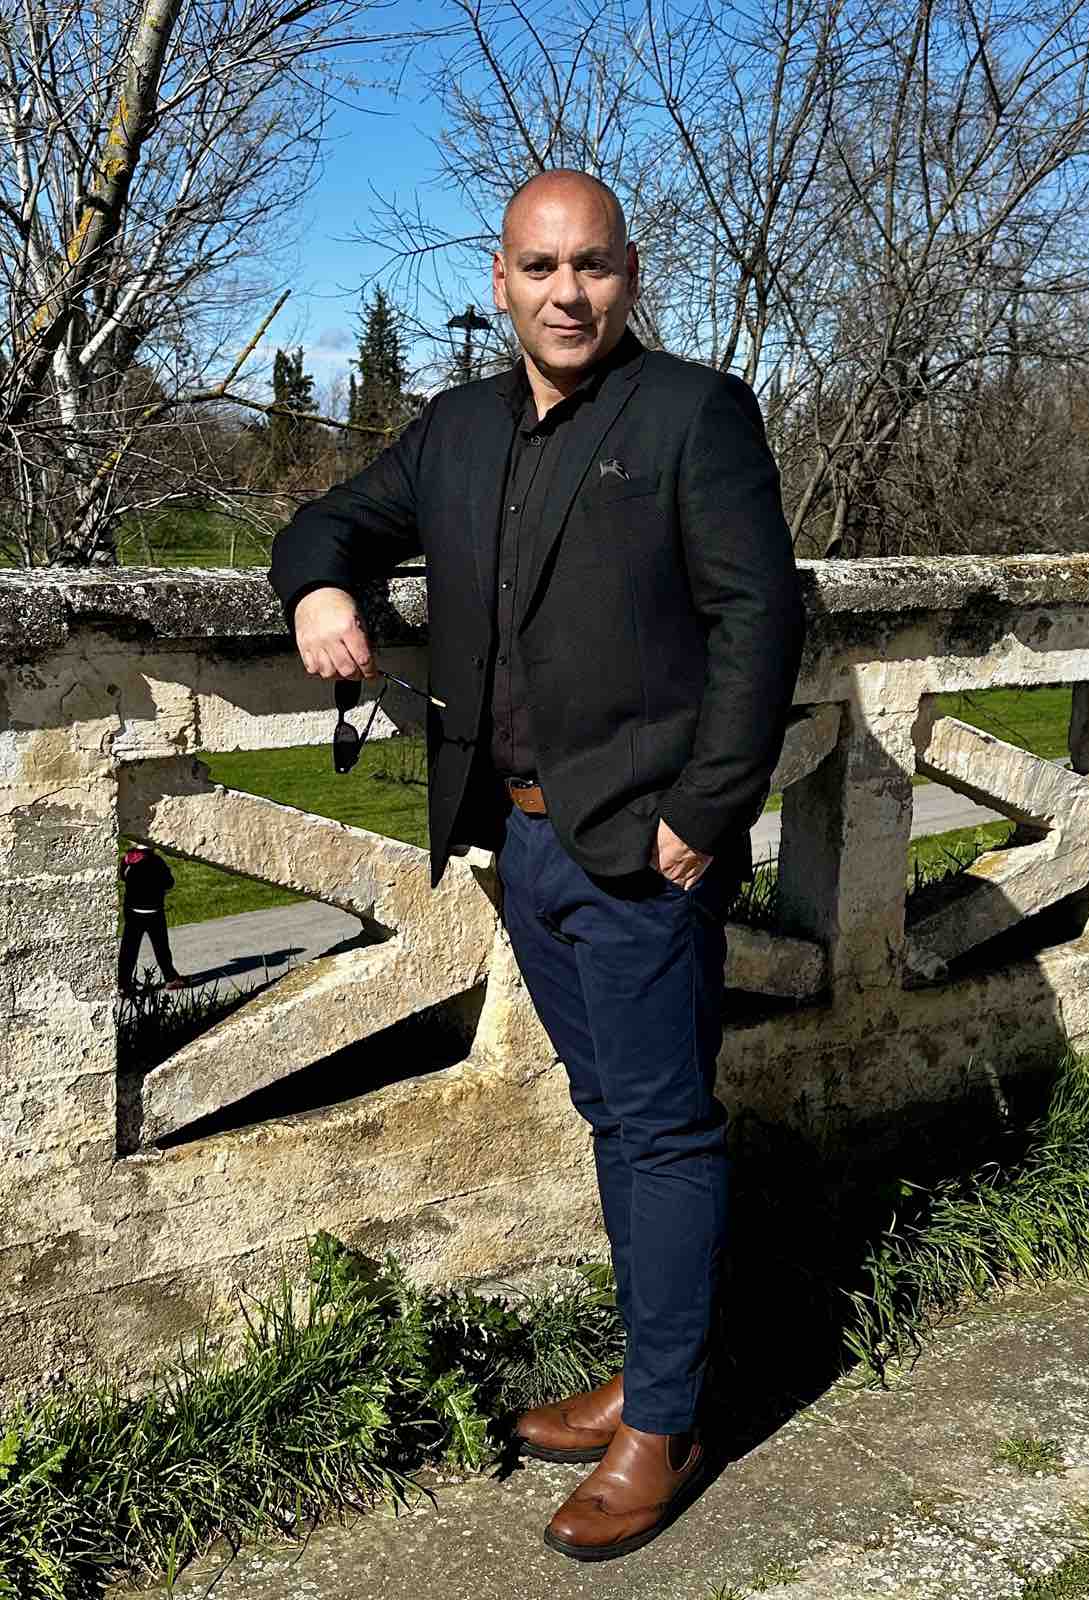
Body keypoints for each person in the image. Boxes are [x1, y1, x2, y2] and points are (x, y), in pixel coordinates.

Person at [267, 169, 805, 1560]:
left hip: (641, 847)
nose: (568, 294)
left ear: (628, 274)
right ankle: (651, 1373)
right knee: (612, 1113)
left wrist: (704, 813)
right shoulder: (456, 428)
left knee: (661, 1127)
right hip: (512, 837)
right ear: (499, 281)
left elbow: (759, 624)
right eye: (541, 268)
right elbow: (327, 522)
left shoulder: (693, 413)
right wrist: (319, 588)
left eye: (592, 266)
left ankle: (665, 1424)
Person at [117, 840, 188, 997]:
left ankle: (123, 984)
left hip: (132, 911)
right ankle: (171, 978)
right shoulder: (156, 861)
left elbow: (122, 876)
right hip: (153, 912)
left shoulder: (127, 859)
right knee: (161, 947)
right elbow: (169, 883)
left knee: (129, 949)